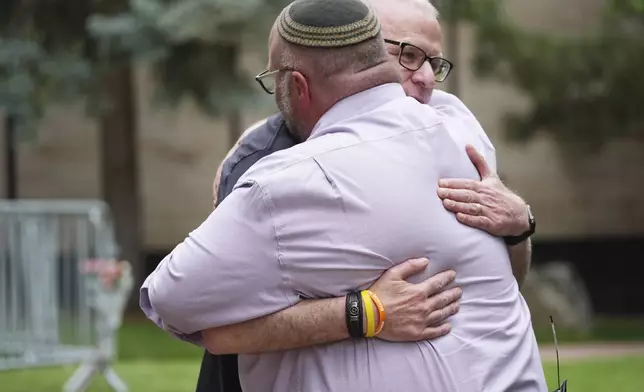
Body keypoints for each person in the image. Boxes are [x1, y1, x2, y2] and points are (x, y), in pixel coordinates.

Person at [141, 0, 546, 391]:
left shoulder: (453, 123)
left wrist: (519, 224)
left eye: (432, 62)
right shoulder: (457, 130)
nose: (423, 77)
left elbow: (170, 301)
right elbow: (212, 324)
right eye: (407, 55)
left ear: (296, 85)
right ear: (374, 56)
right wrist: (365, 312)